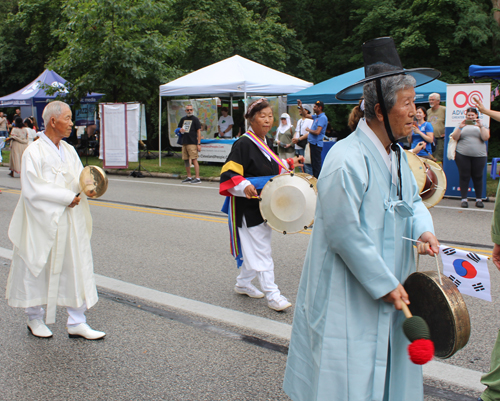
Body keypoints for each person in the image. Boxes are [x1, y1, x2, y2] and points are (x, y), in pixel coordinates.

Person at [283, 37, 440, 401]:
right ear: (381, 110)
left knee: (385, 366)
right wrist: (382, 282)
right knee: (347, 374)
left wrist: (424, 231)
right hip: (351, 288)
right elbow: (343, 232)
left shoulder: (398, 156)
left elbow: (412, 202)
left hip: (390, 283)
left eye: (415, 102)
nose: (416, 111)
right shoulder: (345, 159)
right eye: (407, 103)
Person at [6, 101, 105, 340]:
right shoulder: (34, 152)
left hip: (70, 220)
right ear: (53, 121)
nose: (72, 123)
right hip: (44, 221)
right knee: (37, 264)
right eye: (68, 118)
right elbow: (32, 189)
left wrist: (90, 187)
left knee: (76, 265)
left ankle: (77, 320)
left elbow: (80, 179)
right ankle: (34, 318)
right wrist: (65, 197)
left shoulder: (69, 150)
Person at [219, 98, 304, 312]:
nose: (267, 120)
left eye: (270, 116)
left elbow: (269, 167)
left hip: (265, 203)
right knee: (262, 250)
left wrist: (290, 164)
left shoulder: (264, 141)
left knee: (257, 246)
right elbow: (229, 173)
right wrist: (244, 184)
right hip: (248, 206)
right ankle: (273, 294)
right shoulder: (244, 143)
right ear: (250, 119)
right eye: (262, 116)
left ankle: (243, 283)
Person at [451, 107, 489, 208]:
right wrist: (460, 127)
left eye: (473, 115)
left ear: (477, 115)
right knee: (464, 176)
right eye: (469, 115)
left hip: (479, 156)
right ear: (466, 115)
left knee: (478, 176)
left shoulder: (482, 125)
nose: (471, 117)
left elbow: (485, 137)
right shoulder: (461, 125)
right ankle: (464, 199)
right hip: (462, 155)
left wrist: (481, 126)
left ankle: (479, 199)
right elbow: (454, 137)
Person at [299, 100, 327, 178]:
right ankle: (315, 178)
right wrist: (301, 106)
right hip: (313, 143)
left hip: (316, 144)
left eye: (315, 107)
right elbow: (305, 115)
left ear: (320, 108)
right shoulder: (316, 117)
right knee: (313, 163)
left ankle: (317, 180)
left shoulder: (322, 118)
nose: (313, 108)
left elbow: (318, 132)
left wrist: (309, 130)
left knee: (316, 165)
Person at [178, 104, 202, 184]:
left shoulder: (195, 119)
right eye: (188, 110)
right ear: (185, 111)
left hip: (192, 142)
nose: (189, 111)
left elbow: (198, 131)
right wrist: (180, 130)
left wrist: (198, 143)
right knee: (186, 160)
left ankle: (197, 177)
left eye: (191, 110)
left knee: (194, 159)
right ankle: (189, 176)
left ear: (193, 110)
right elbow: (178, 129)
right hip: (185, 141)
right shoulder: (183, 119)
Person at [292, 104, 313, 174]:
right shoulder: (300, 121)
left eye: (301, 109)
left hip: (305, 144)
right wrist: (294, 138)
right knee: (300, 164)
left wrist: (299, 139)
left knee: (306, 164)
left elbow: (309, 133)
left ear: (306, 111)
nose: (299, 111)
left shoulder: (310, 120)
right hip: (297, 144)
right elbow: (297, 131)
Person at [427, 93, 446, 161]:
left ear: (438, 101)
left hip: (440, 139)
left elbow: (449, 123)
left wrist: (447, 133)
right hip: (430, 140)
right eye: (430, 100)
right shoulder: (428, 111)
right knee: (431, 159)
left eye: (433, 100)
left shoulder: (444, 110)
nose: (431, 101)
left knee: (438, 159)